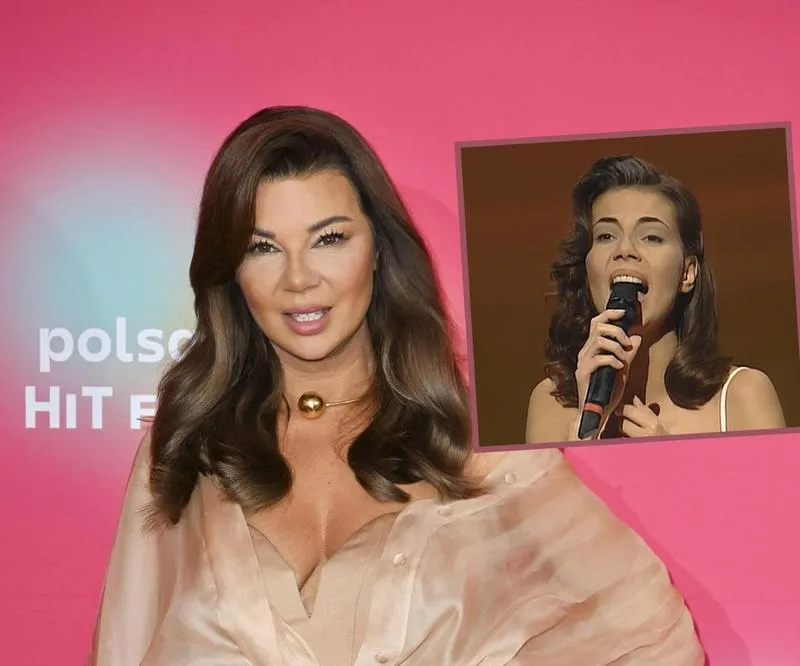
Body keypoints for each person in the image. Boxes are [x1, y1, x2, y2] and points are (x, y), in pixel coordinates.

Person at [90, 108, 705, 665]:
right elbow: (120, 650)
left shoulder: (478, 451)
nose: (299, 279)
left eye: (329, 239)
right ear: (231, 270)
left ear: (379, 249)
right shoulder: (182, 457)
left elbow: (651, 642)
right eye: (263, 247)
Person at [526, 155, 786, 444]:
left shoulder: (741, 396)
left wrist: (666, 460)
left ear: (687, 272)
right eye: (606, 236)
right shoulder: (550, 404)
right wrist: (587, 429)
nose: (625, 250)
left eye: (651, 237)